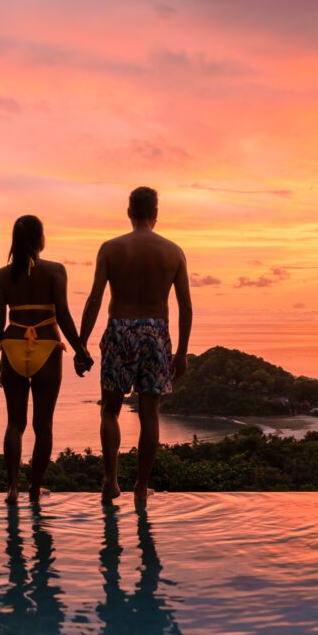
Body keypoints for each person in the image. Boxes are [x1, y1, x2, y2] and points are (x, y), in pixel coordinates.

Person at [79, 186, 192, 504]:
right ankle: (141, 488)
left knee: (110, 411)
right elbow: (185, 307)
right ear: (156, 214)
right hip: (155, 334)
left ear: (129, 212)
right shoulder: (173, 252)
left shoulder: (111, 248)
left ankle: (110, 481)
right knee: (150, 415)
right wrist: (181, 351)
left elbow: (94, 299)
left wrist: (81, 344)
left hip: (119, 331)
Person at [0, 215, 92, 503]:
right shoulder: (56, 271)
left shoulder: (3, 275)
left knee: (15, 423)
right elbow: (63, 314)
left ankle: (12, 488)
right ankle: (34, 489)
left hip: (11, 345)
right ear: (40, 239)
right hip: (46, 346)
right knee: (43, 424)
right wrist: (81, 350)